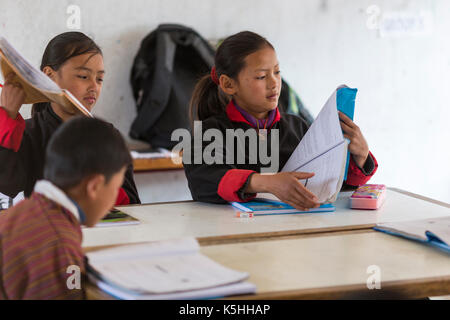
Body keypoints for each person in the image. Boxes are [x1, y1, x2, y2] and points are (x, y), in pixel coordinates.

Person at [184, 31, 378, 210]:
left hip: (295, 233)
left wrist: (360, 156)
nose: (274, 83)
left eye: (277, 72)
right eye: (261, 76)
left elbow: (332, 186)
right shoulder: (210, 133)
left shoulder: (298, 127)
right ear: (228, 84)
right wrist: (268, 182)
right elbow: (204, 181)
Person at [0, 32, 140, 204]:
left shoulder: (108, 136)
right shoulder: (28, 133)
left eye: (100, 79)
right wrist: (8, 116)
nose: (94, 86)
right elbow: (8, 187)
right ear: (49, 75)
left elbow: (131, 204)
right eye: (83, 76)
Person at [0, 116, 131, 299]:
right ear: (94, 187)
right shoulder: (61, 248)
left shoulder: (19, 213)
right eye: (116, 188)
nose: (115, 197)